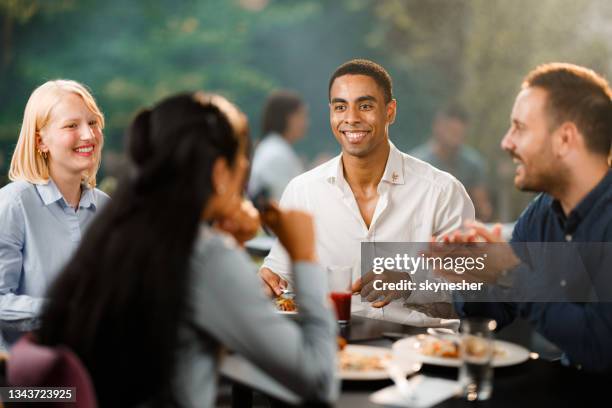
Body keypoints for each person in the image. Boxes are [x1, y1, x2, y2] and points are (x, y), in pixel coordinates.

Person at [37, 92, 338, 407]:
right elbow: (319, 382)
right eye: (242, 157)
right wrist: (304, 256)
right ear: (220, 172)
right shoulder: (205, 255)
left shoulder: (114, 232)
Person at [259, 59, 475, 325]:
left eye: (365, 106)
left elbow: (471, 285)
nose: (351, 118)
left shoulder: (443, 191)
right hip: (335, 350)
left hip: (422, 350)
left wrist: (410, 281)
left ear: (390, 111)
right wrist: (268, 281)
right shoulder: (301, 191)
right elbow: (281, 274)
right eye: (340, 107)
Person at [439, 63, 612, 372]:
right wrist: (473, 273)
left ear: (564, 139)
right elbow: (497, 310)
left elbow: (601, 346)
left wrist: (511, 272)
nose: (507, 142)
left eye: (519, 128)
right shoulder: (543, 212)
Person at [0, 80, 109, 348]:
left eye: (93, 123)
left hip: (92, 369)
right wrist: (64, 310)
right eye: (72, 125)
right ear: (41, 141)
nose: (88, 135)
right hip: (23, 382)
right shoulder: (13, 204)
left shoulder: (106, 208)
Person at [411, 104, 493, 221]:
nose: (454, 137)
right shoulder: (416, 163)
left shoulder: (473, 164)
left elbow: (482, 207)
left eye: (458, 133)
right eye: (451, 131)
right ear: (437, 127)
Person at [248, 90, 308, 201]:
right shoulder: (277, 154)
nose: (306, 122)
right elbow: (287, 203)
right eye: (302, 115)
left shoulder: (272, 147)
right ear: (288, 118)